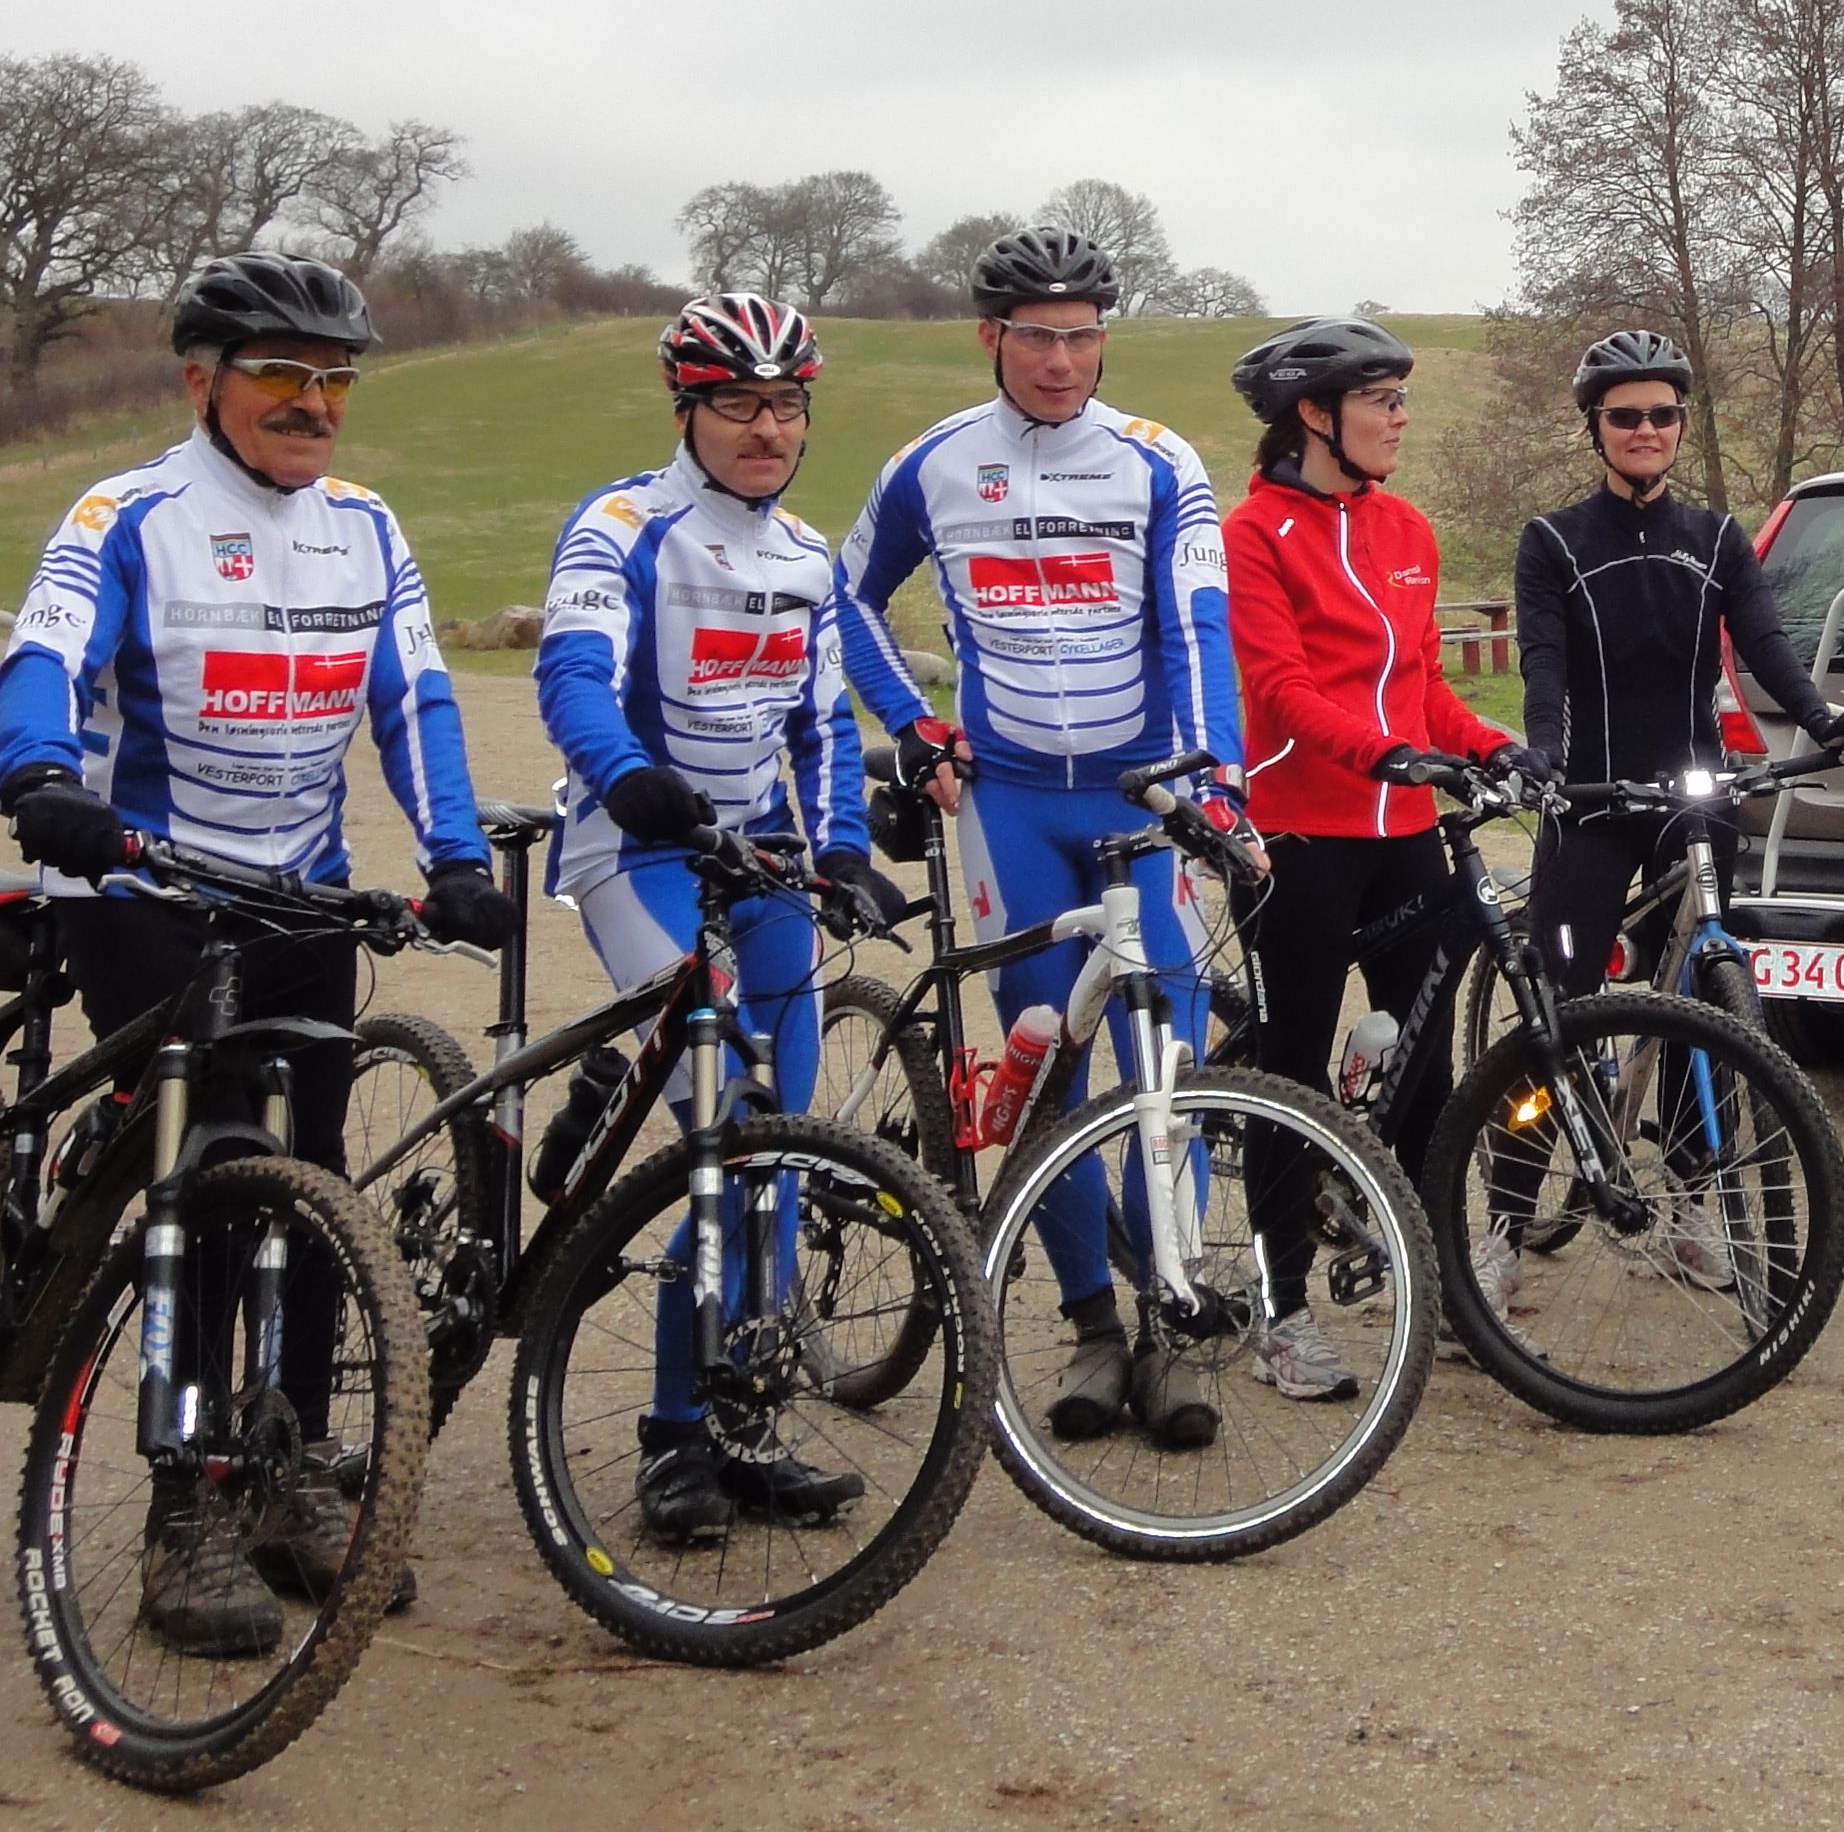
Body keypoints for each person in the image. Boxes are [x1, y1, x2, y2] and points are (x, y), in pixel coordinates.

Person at [0, 253, 509, 1650]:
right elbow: (42, 658)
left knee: (312, 1182)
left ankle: (288, 1468)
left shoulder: (367, 528)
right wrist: (39, 773)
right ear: (201, 380)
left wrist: (457, 857)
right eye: (283, 373)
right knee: (213, 1177)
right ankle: (187, 1502)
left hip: (297, 894)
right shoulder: (129, 516)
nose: (314, 401)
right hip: (142, 884)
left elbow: (416, 697)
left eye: (336, 379)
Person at [835, 224, 1242, 1447]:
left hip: (1137, 801)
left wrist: (1214, 783)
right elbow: (845, 597)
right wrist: (911, 722)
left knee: (1166, 1066)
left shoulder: (1159, 461)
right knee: (1046, 1067)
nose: (1062, 361)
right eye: (1036, 338)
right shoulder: (932, 464)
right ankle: (1091, 1327)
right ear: (990, 338)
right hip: (1009, 805)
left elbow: (1198, 626)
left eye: (1082, 336)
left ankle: (1170, 1324)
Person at [535, 294, 892, 1543]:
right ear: (686, 408)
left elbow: (826, 725)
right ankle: (674, 1439)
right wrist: (628, 776)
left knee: (779, 1146)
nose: (767, 428)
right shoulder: (622, 526)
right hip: (637, 848)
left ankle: (744, 1418)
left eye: (787, 404)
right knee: (727, 1123)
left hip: (757, 857)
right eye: (739, 402)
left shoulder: (805, 555)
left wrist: (842, 851)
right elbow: (572, 677)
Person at [1503, 331, 1844, 1306]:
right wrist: (1544, 755)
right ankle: (1502, 1229)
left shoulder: (1715, 538)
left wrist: (1825, 720)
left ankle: (1694, 1206)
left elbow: (1768, 649)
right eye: (1625, 415)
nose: (1646, 430)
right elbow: (1543, 666)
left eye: (1662, 414)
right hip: (1590, 801)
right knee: (1558, 1013)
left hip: (1692, 802)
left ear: (1679, 424)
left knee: (1702, 1012)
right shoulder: (1553, 540)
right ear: (1596, 426)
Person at [1220, 314, 1522, 1399]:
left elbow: (1425, 684)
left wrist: (1487, 744)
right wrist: (1381, 751)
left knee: (1430, 1076)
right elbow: (1281, 688)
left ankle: (1442, 1284)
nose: (1400, 418)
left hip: (1405, 836)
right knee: (1290, 1074)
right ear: (1314, 414)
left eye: (1403, 399)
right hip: (1299, 836)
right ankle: (1283, 1310)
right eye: (1381, 400)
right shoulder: (1253, 533)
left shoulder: (1406, 529)